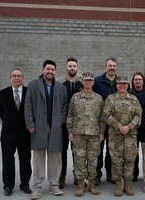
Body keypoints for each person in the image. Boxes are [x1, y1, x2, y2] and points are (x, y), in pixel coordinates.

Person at [25, 60, 68, 199]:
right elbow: (28, 105)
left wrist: (60, 120)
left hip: (55, 127)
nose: (50, 72)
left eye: (52, 69)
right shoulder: (33, 85)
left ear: (55, 71)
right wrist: (30, 123)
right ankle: (37, 187)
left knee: (55, 157)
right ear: (43, 70)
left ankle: (54, 185)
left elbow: (65, 106)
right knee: (38, 158)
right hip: (38, 127)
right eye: (48, 69)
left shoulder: (61, 88)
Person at [67, 72, 105, 197]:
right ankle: (80, 185)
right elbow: (70, 115)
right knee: (79, 159)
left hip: (94, 134)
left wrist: (101, 132)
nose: (88, 82)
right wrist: (70, 131)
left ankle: (92, 184)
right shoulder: (75, 97)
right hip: (78, 134)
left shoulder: (98, 98)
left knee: (93, 159)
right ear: (82, 82)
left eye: (90, 80)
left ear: (93, 82)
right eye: (85, 80)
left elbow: (102, 117)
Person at [103, 76, 142, 196]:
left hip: (130, 135)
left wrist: (129, 126)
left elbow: (138, 116)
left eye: (125, 83)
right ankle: (118, 183)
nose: (122, 85)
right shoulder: (110, 99)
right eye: (120, 83)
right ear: (116, 85)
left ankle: (127, 183)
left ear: (128, 85)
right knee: (116, 160)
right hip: (115, 136)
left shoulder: (134, 99)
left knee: (130, 159)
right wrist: (119, 126)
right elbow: (106, 115)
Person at [0, 68, 32, 196]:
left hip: (25, 133)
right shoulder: (3, 93)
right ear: (10, 78)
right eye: (14, 75)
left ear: (23, 78)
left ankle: (25, 184)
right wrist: (11, 124)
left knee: (25, 159)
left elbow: (31, 111)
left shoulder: (29, 92)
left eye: (19, 76)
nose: (16, 78)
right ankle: (8, 185)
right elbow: (2, 113)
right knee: (7, 159)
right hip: (8, 133)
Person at [58, 57, 83, 189]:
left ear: (77, 67)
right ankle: (61, 176)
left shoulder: (82, 83)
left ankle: (77, 175)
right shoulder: (60, 83)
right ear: (66, 67)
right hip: (63, 124)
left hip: (78, 124)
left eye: (74, 66)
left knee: (77, 151)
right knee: (62, 150)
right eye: (70, 66)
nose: (72, 68)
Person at [92, 56, 118, 185]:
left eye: (113, 66)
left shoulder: (121, 82)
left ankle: (110, 173)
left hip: (115, 123)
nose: (112, 68)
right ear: (105, 67)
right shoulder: (97, 81)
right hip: (100, 121)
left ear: (116, 67)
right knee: (99, 149)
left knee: (112, 149)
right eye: (109, 65)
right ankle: (97, 174)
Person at [129, 71, 145, 182]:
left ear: (143, 81)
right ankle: (133, 174)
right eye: (136, 79)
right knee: (133, 153)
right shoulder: (129, 94)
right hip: (133, 127)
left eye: (140, 79)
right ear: (133, 81)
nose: (138, 81)